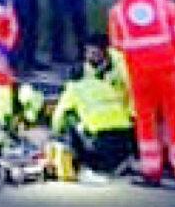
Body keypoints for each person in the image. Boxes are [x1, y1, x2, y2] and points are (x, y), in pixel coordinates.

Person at [108, 0, 175, 184]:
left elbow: (117, 45)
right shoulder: (164, 5)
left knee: (146, 120)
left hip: (139, 73)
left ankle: (151, 168)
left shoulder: (117, 11)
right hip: (168, 69)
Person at [51, 40, 136, 175]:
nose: (90, 56)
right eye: (88, 53)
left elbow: (59, 115)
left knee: (69, 119)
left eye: (94, 53)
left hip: (101, 136)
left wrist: (56, 133)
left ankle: (96, 162)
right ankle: (127, 157)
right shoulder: (106, 84)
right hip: (126, 130)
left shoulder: (74, 89)